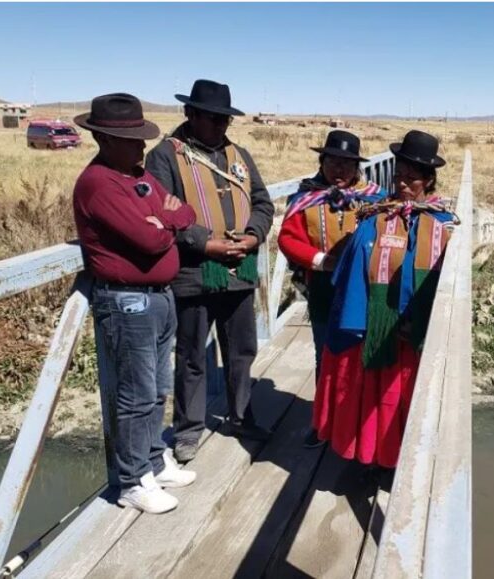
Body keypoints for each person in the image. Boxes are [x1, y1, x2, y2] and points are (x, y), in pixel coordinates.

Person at [73, 93, 198, 514]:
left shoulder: (137, 176)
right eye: (132, 140)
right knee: (136, 394)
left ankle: (153, 462)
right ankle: (132, 480)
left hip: (159, 297)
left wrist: (166, 218)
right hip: (128, 302)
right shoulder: (98, 183)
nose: (142, 146)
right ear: (105, 139)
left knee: (157, 389)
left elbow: (185, 213)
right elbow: (150, 239)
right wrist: (163, 222)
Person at [145, 79, 275, 463]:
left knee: (242, 350)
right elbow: (161, 212)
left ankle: (241, 416)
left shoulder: (239, 155)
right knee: (191, 355)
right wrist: (204, 243)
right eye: (212, 118)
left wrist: (253, 235)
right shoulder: (165, 156)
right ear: (190, 113)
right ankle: (188, 430)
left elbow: (263, 202)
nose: (220, 126)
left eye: (224, 119)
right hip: (194, 272)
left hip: (239, 269)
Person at [313, 130, 456, 468]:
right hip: (372, 330)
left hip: (409, 335)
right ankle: (368, 459)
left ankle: (400, 460)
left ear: (428, 180)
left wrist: (417, 320)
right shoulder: (374, 217)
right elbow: (351, 272)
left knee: (401, 398)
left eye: (412, 178)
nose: (403, 183)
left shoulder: (443, 225)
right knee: (368, 396)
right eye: (399, 175)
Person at [276, 131, 386, 445]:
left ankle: (357, 420)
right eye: (333, 161)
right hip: (324, 288)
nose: (339, 169)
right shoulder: (306, 198)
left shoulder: (376, 199)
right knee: (325, 353)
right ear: (322, 161)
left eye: (347, 163)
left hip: (364, 290)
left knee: (361, 353)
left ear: (357, 167)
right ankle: (323, 421)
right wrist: (322, 261)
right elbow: (288, 238)